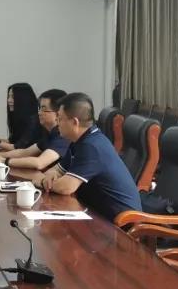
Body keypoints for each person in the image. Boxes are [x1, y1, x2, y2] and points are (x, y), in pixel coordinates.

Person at [30, 92, 142, 222]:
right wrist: (50, 176)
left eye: (60, 118)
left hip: (120, 224)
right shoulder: (78, 141)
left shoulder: (92, 146)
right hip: (96, 215)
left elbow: (66, 187)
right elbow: (57, 170)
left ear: (74, 122)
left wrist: (42, 181)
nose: (57, 122)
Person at [0, 89, 69, 171]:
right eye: (39, 108)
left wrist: (4, 160)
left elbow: (39, 163)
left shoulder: (63, 136)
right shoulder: (50, 133)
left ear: (58, 113)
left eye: (43, 109)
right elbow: (24, 152)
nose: (39, 113)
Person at [0, 83, 38, 151]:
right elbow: (14, 142)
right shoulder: (21, 118)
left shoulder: (34, 121)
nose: (9, 100)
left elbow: (18, 148)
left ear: (23, 99)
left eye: (13, 97)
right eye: (9, 96)